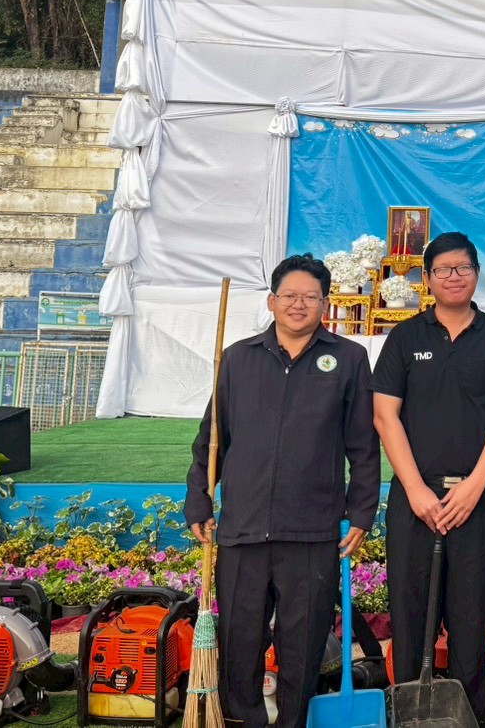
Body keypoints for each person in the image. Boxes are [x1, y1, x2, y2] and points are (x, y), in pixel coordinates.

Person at [185, 253, 380, 728]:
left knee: (303, 646)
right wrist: (199, 497)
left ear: (325, 304)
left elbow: (363, 444)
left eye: (310, 297)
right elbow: (212, 439)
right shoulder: (238, 358)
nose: (299, 304)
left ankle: (294, 721)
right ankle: (245, 720)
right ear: (272, 301)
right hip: (243, 529)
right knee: (240, 641)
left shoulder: (349, 359)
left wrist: (361, 511)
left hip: (312, 532)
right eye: (289, 295)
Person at [373, 232, 485, 728]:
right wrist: (416, 490)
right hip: (414, 499)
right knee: (410, 616)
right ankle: (409, 713)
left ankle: (470, 717)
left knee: (469, 619)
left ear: (477, 274)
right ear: (428, 278)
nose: (453, 277)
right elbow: (385, 416)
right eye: (443, 269)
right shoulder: (405, 338)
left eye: (463, 268)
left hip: (476, 497)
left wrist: (475, 485)